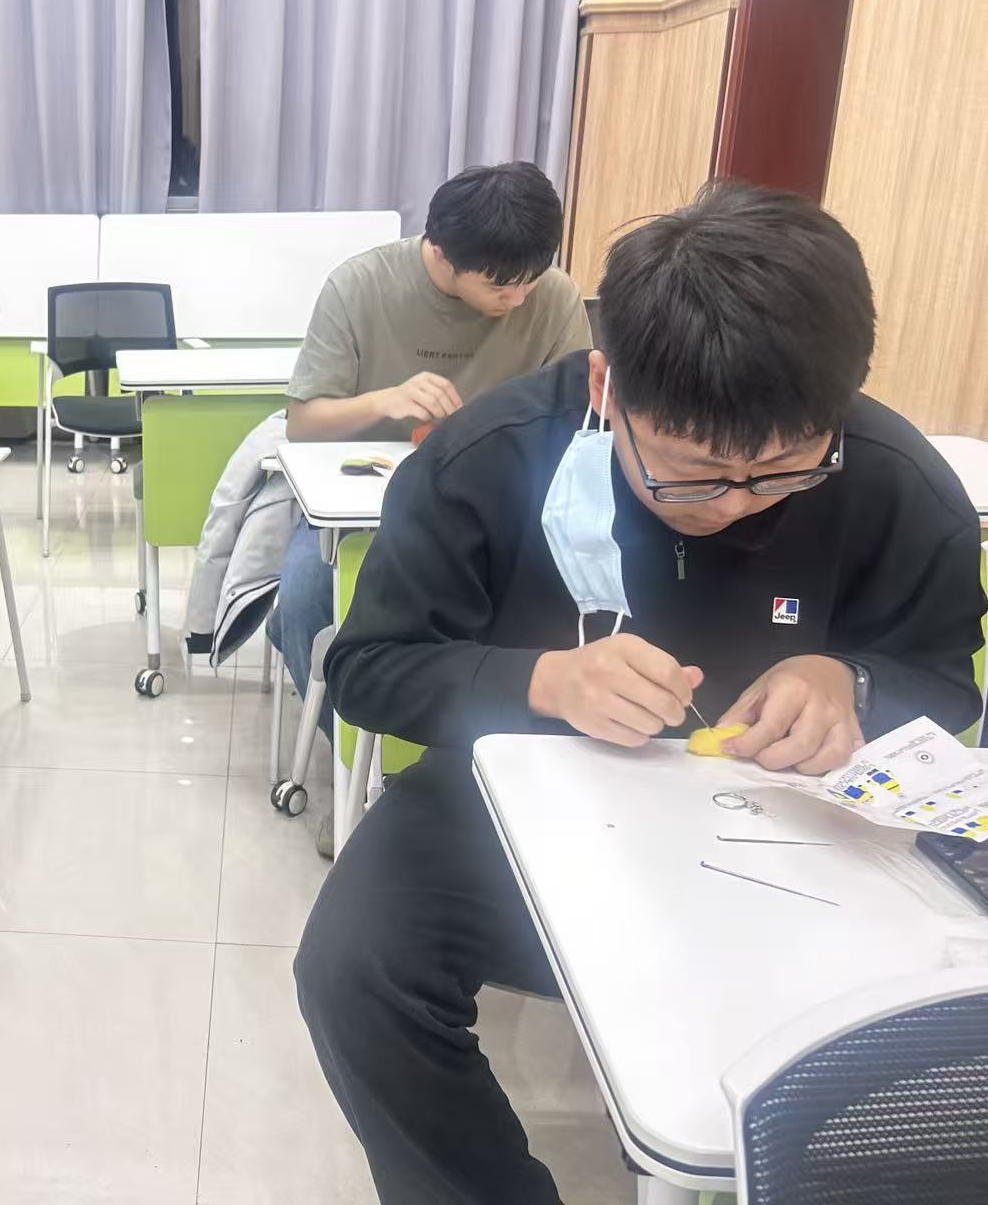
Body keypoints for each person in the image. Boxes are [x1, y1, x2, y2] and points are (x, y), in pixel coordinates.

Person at [293, 181, 987, 1204]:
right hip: (523, 804)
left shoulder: (893, 478)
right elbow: (369, 667)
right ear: (606, 385)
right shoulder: (488, 457)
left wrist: (852, 681)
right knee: (355, 968)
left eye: (783, 471)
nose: (736, 504)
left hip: (795, 821)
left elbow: (944, 680)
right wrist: (538, 680)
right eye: (691, 472)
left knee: (921, 1022)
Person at [274, 161, 591, 852]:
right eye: (500, 285)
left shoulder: (552, 296)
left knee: (545, 616)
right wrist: (383, 401)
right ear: (441, 254)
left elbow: (582, 420)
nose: (518, 298)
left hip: (500, 513)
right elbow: (302, 422)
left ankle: (483, 779)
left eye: (531, 279)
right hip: (356, 504)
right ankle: (356, 774)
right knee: (301, 605)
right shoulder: (361, 285)